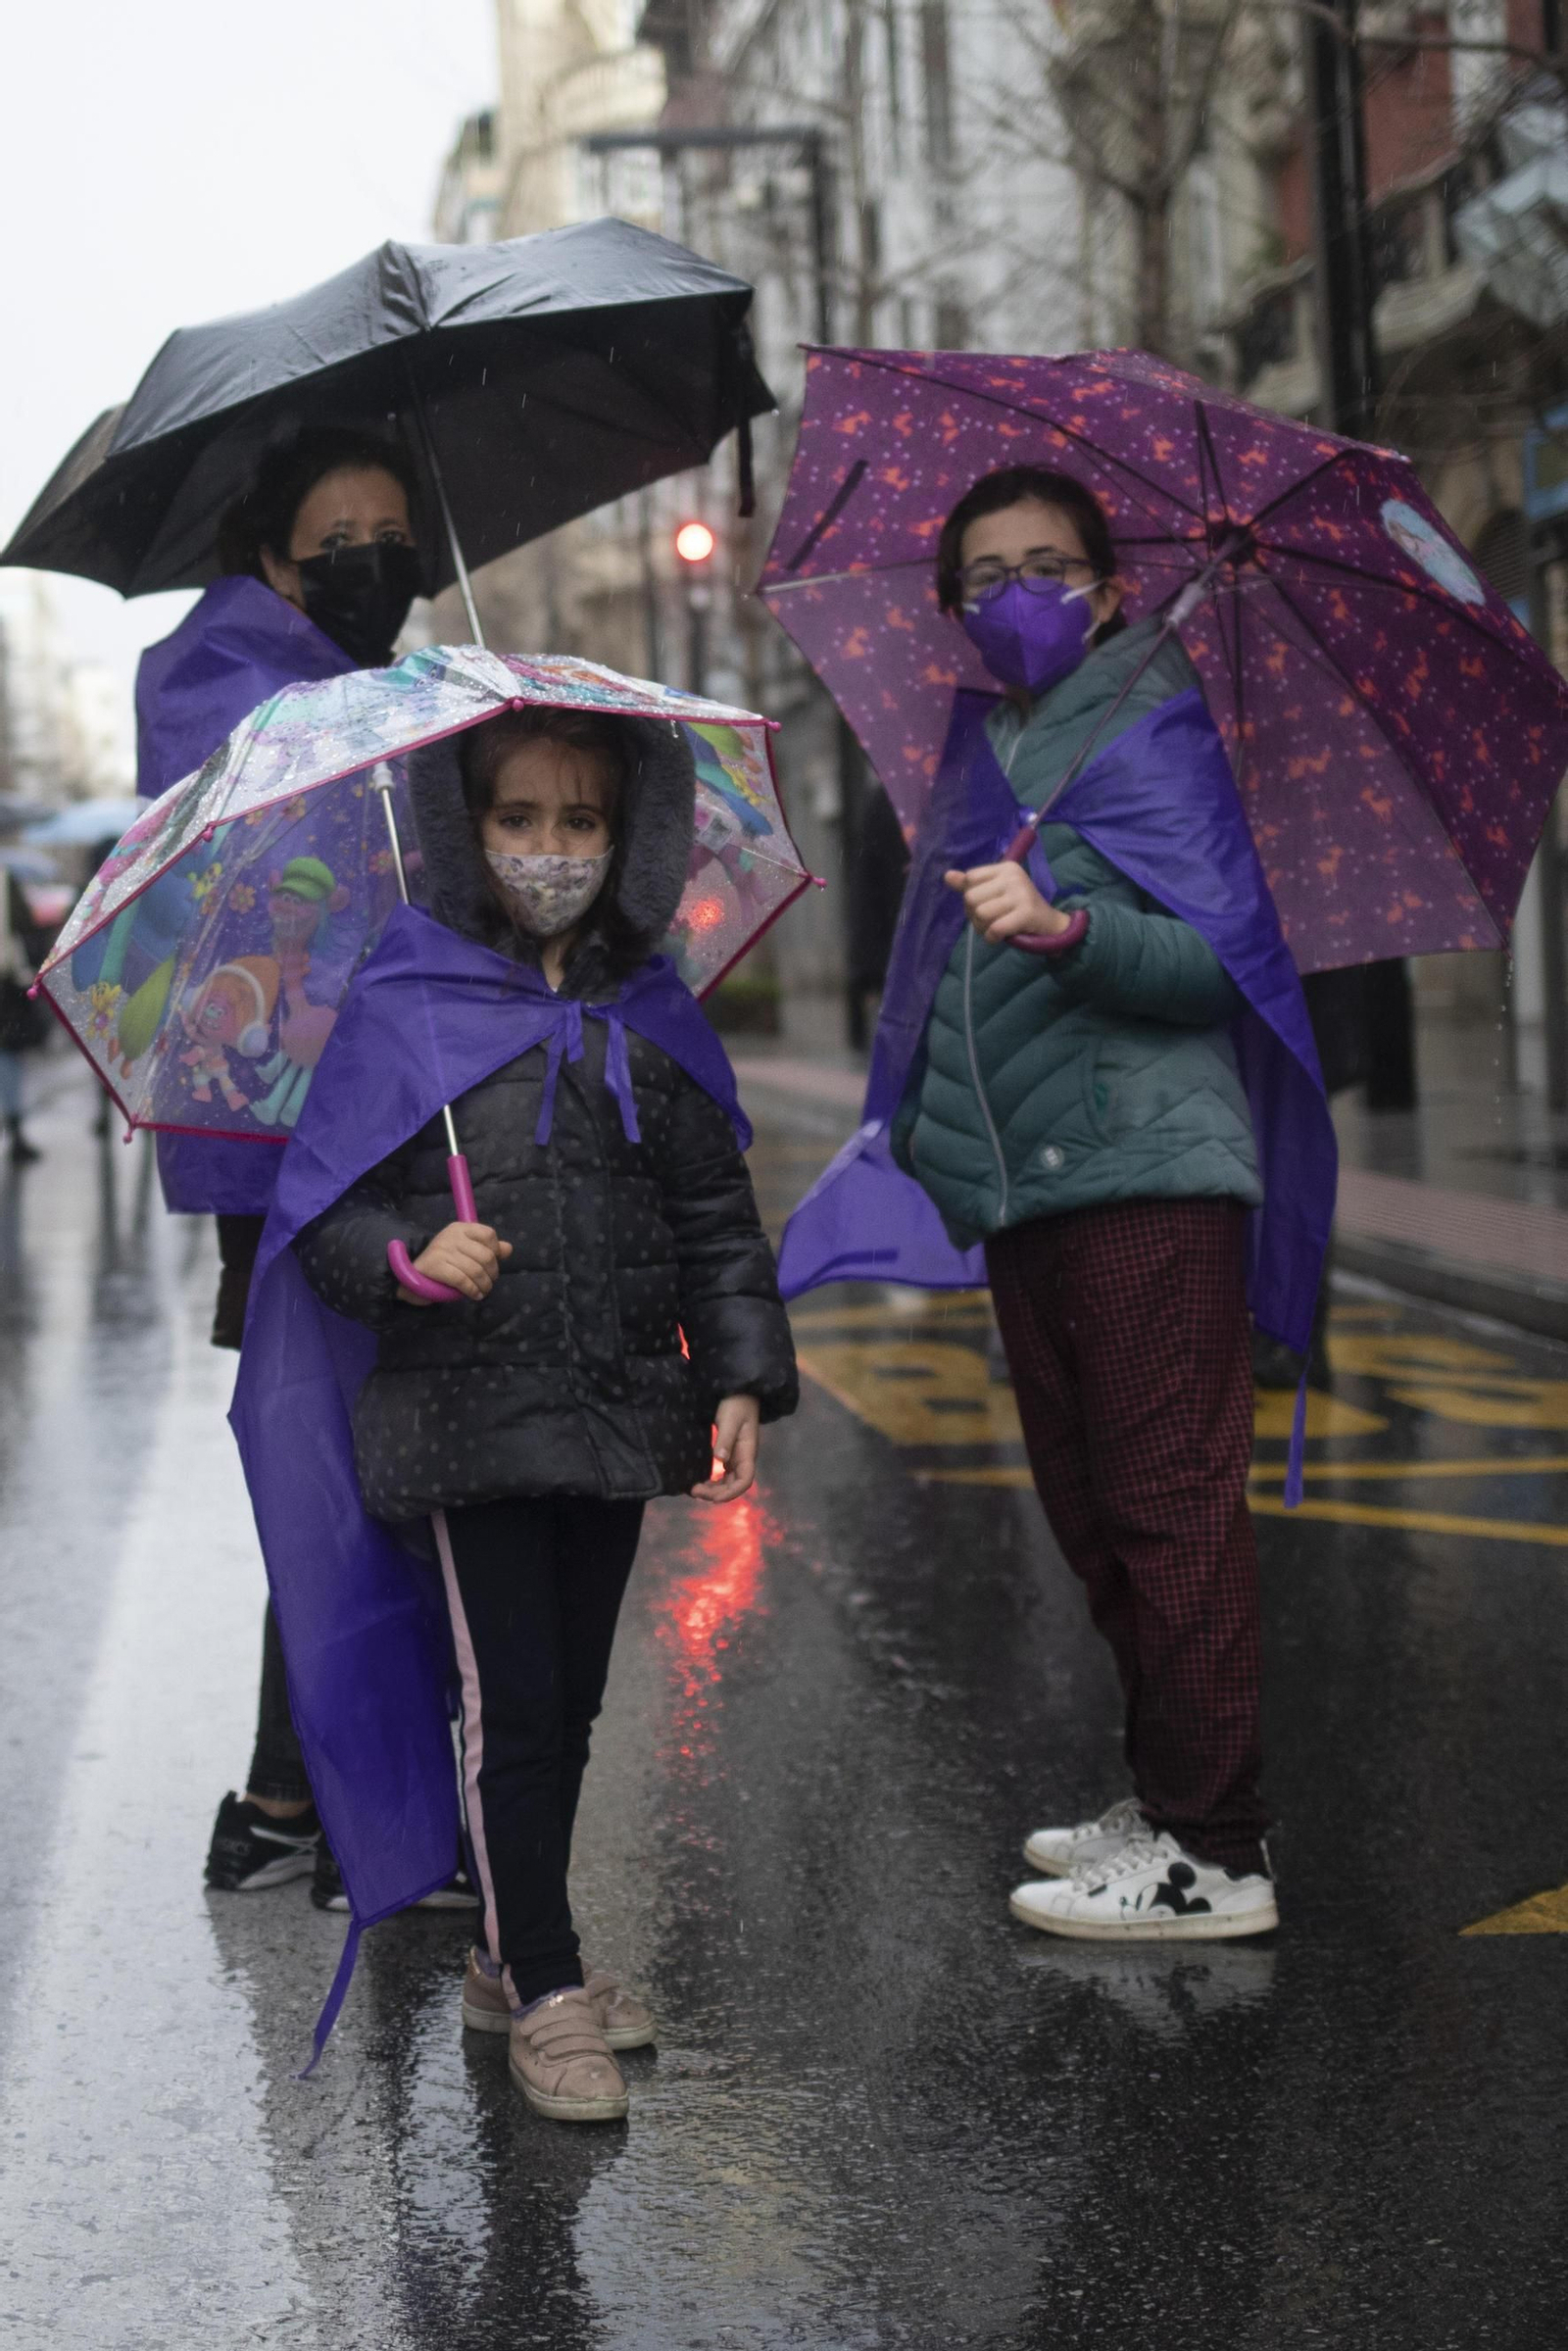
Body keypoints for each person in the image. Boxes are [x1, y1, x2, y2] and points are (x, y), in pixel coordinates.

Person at [784, 465, 1331, 1941]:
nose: (1019, 595)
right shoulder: (1002, 747)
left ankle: (1215, 1849)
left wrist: (1072, 926)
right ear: (954, 606)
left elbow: (1227, 967)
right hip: (1036, 1187)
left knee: (1168, 1512)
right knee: (1095, 1515)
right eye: (987, 574)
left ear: (1107, 586)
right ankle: (1164, 1795)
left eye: (1048, 565)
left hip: (1146, 1172)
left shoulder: (1150, 730)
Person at [270, 704, 797, 2119]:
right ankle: (547, 1982)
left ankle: (516, 1954)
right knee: (514, 1701)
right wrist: (407, 1256)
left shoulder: (650, 1003)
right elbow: (323, 1210)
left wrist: (738, 1370)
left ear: (628, 839)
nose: (549, 850)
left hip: (621, 1404)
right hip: (465, 1413)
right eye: (518, 819)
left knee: (571, 1699)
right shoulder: (408, 992)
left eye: (581, 821)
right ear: (466, 829)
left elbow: (712, 1209)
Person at [126, 426, 444, 1903]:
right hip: (295, 1147)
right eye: (341, 535)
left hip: (394, 1122)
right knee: (347, 1468)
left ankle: (290, 1802)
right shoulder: (225, 685)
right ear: (275, 556)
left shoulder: (380, 687)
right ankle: (317, 1807)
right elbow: (250, 904)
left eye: (395, 531)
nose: (373, 558)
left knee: (383, 1465)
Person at [0, 872, 47, 1162]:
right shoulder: (5, 878)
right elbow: (26, 924)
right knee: (8, 1055)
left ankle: (16, 1128)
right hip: (5, 981)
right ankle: (16, 1129)